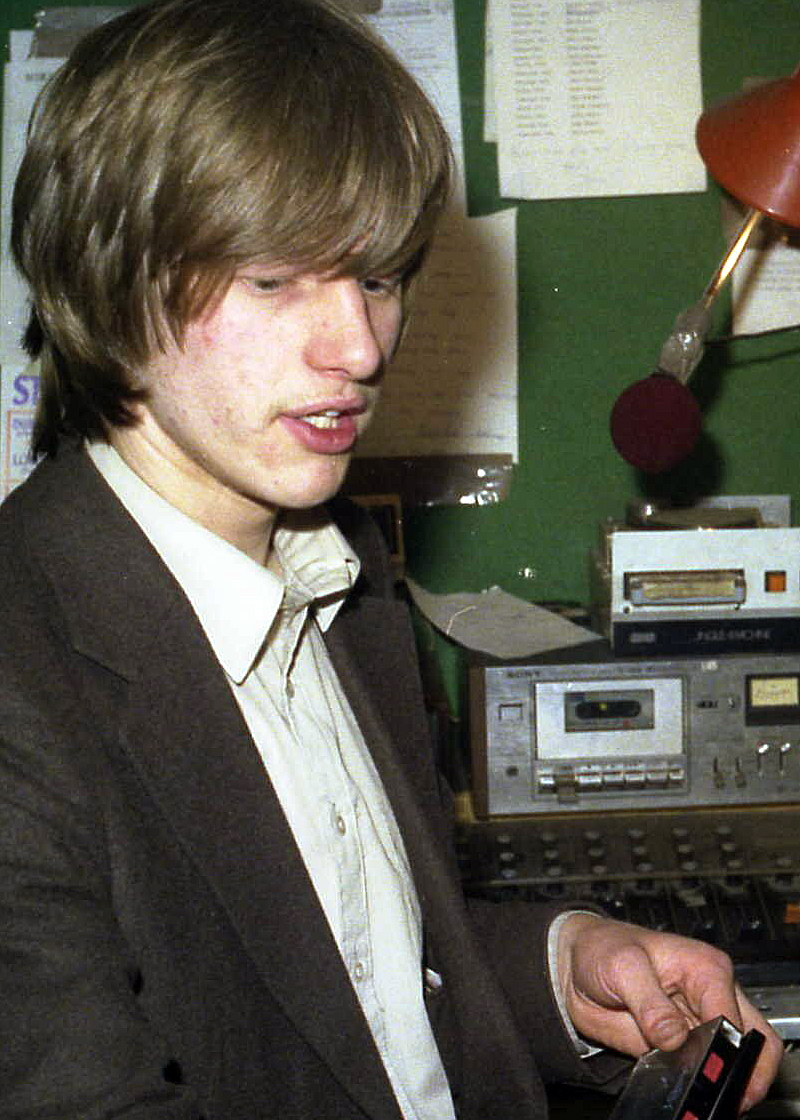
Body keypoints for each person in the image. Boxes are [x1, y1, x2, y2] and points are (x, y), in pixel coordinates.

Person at [0, 0, 783, 1117]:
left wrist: (566, 964)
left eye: (377, 278)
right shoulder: (22, 661)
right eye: (274, 279)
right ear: (107, 275)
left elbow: (359, 979)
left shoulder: (344, 569)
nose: (361, 349)